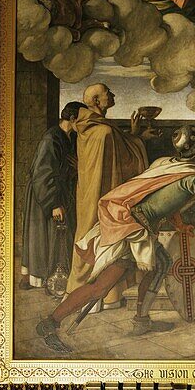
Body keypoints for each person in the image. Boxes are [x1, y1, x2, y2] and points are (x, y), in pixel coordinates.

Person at [37, 125, 195, 353]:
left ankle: (141, 321)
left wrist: (179, 224)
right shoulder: (192, 177)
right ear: (194, 145)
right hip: (131, 233)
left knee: (161, 265)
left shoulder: (166, 165)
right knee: (100, 287)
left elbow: (165, 201)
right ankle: (50, 323)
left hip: (139, 229)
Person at [66, 83, 155, 308]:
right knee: (100, 236)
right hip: (102, 193)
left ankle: (106, 293)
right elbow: (124, 162)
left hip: (91, 193)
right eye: (109, 93)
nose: (113, 95)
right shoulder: (102, 130)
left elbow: (118, 151)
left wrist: (134, 135)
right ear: (97, 101)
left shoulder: (93, 126)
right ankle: (96, 295)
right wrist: (138, 141)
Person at [20, 102, 85, 291]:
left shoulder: (68, 137)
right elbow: (43, 174)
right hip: (45, 195)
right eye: (81, 120)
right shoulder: (51, 138)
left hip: (57, 192)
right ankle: (41, 279)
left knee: (58, 236)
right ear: (72, 119)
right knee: (42, 237)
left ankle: (57, 276)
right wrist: (54, 203)